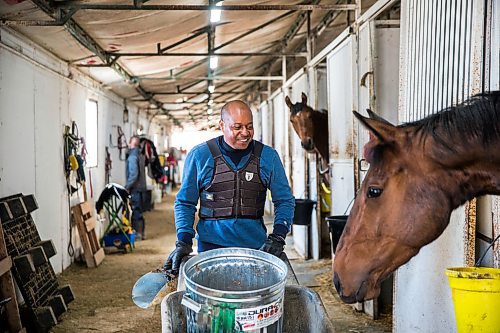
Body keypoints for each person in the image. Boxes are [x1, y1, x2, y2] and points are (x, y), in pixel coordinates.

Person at [164, 100, 295, 273]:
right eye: (237, 127)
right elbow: (185, 203)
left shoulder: (268, 157)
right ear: (222, 125)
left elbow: (285, 200)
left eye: (249, 126)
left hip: (255, 249)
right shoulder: (200, 156)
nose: (245, 133)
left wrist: (278, 236)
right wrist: (183, 241)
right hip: (211, 250)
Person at [125, 135, 147, 240]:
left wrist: (126, 187)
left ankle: (137, 234)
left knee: (136, 211)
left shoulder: (132, 157)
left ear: (131, 144)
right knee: (140, 211)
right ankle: (141, 233)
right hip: (142, 188)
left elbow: (134, 175)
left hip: (135, 189)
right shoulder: (141, 155)